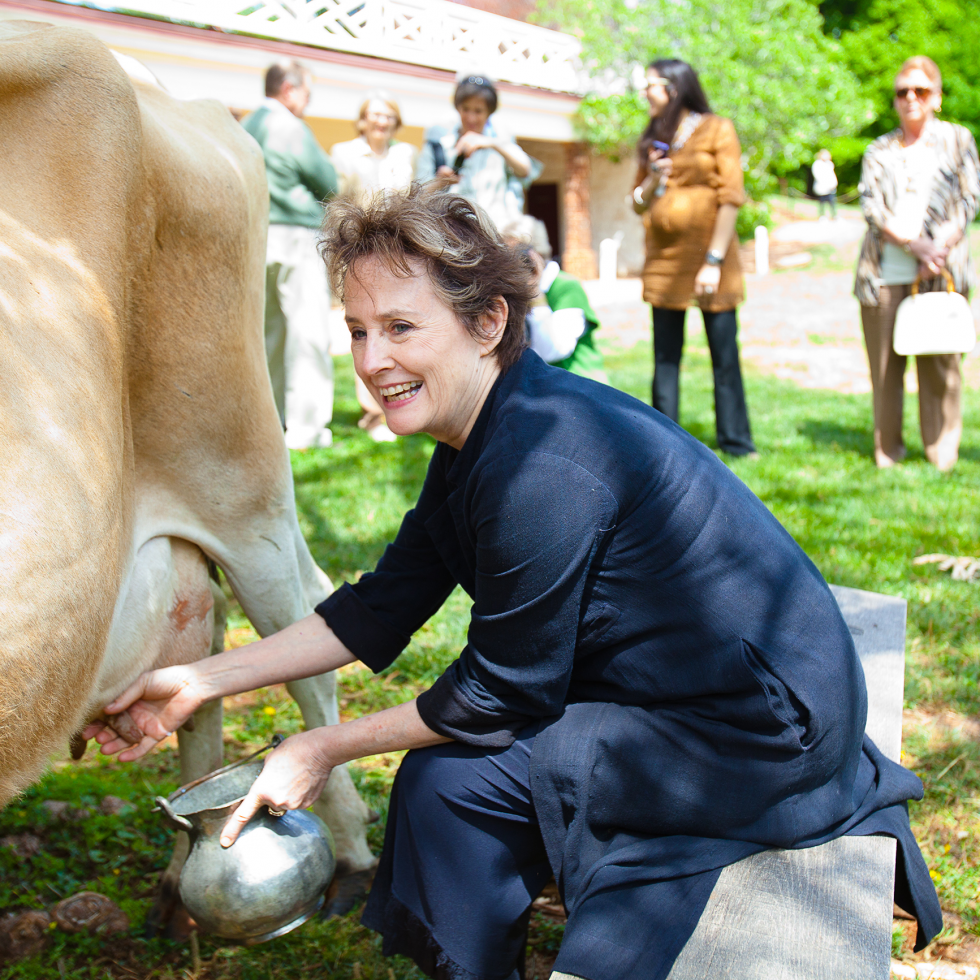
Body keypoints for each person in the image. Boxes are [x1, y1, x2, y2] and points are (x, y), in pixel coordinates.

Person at [90, 187, 940, 980]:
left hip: (756, 728)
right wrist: (199, 680)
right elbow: (381, 607)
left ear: (489, 321)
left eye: (400, 327)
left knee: (453, 782)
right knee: (449, 778)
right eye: (356, 330)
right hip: (697, 694)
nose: (372, 359)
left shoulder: (545, 459)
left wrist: (318, 745)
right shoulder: (484, 430)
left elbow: (500, 691)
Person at [855, 55, 979, 471]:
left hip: (941, 272)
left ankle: (941, 452)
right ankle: (887, 450)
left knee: (941, 368)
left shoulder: (959, 140)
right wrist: (915, 246)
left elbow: (969, 198)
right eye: (902, 91)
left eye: (920, 90)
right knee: (886, 370)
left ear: (936, 97)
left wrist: (937, 249)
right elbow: (871, 207)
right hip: (885, 273)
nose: (911, 98)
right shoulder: (878, 149)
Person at [632, 58, 757, 458]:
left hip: (711, 261)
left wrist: (714, 260)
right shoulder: (652, 136)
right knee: (665, 355)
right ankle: (662, 441)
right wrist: (654, 177)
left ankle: (736, 442)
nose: (644, 93)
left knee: (723, 353)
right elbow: (637, 203)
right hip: (664, 262)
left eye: (650, 85)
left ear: (674, 87)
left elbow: (731, 196)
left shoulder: (717, 128)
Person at [242, 60, 338, 450]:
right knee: (308, 329)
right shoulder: (291, 128)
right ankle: (307, 428)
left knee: (268, 332)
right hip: (298, 236)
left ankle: (269, 419)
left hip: (255, 234)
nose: (308, 103)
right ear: (289, 89)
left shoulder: (244, 126)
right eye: (307, 93)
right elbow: (328, 181)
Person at [331, 91, 418, 442]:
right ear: (363, 119)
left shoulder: (405, 154)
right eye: (374, 114)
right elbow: (336, 207)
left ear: (395, 121)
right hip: (358, 252)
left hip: (398, 253)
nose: (380, 121)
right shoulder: (343, 153)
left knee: (395, 325)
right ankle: (373, 411)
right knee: (366, 331)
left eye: (387, 115)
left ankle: (397, 403)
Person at [416, 71, 542, 231]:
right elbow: (417, 197)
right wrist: (440, 182)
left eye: (478, 111)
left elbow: (525, 170)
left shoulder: (500, 142)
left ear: (489, 112)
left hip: (495, 234)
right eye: (466, 109)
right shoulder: (438, 144)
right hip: (453, 236)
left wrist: (490, 143)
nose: (471, 117)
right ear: (457, 108)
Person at [507, 215, 608, 383]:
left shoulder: (566, 287)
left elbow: (553, 350)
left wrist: (536, 295)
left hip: (579, 385)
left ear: (535, 255)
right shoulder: (512, 289)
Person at [812, 149, 838, 219]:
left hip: (831, 188)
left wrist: (833, 184)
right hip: (822, 188)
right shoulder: (817, 164)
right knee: (822, 202)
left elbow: (832, 175)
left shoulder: (829, 164)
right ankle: (822, 215)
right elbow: (818, 176)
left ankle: (834, 215)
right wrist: (826, 185)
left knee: (832, 202)